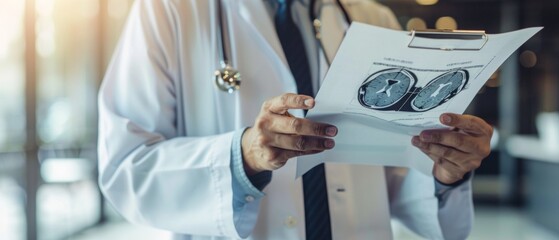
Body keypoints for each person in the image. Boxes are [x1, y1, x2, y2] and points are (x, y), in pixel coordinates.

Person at [98, 0, 493, 239]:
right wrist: (242, 158)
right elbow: (127, 166)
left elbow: (393, 176)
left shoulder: (373, 18)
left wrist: (444, 173)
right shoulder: (170, 10)